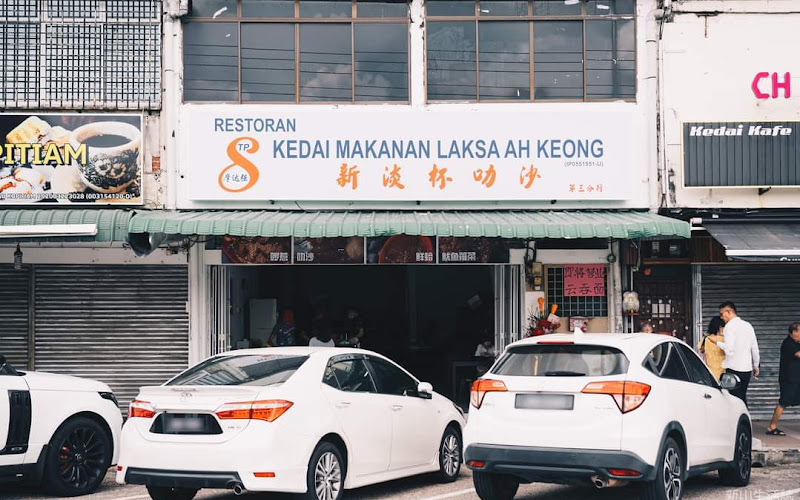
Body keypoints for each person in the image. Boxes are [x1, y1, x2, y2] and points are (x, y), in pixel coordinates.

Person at [708, 301, 760, 406]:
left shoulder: (729, 327)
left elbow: (729, 349)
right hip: (747, 369)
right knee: (742, 398)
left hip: (733, 369)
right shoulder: (748, 325)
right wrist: (756, 365)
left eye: (722, 314)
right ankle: (745, 420)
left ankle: (737, 421)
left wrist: (716, 342)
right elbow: (754, 348)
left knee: (733, 400)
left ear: (729, 312)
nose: (721, 317)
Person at [766, 322, 800, 436]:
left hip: (796, 378)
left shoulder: (796, 343)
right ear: (794, 332)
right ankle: (772, 426)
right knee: (783, 402)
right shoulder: (788, 343)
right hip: (789, 379)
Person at [698, 316, 726, 380]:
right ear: (720, 327)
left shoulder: (705, 339)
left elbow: (700, 353)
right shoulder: (724, 340)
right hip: (723, 375)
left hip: (709, 375)